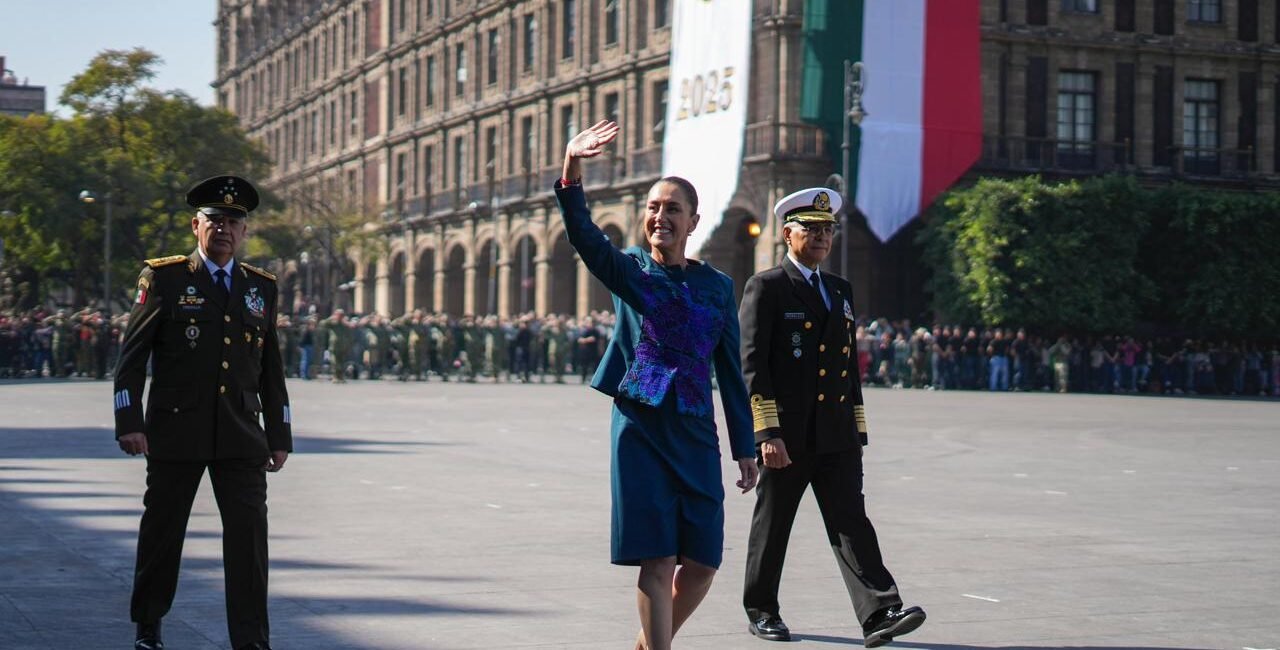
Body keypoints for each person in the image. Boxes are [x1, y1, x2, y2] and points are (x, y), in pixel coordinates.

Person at [555, 120, 757, 650]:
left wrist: (746, 448)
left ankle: (648, 644)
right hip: (640, 427)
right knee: (658, 557)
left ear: (694, 221)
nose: (660, 216)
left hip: (694, 431)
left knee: (704, 563)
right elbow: (583, 235)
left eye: (672, 209)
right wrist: (573, 166)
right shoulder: (630, 271)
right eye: (652, 207)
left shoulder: (717, 287)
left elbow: (732, 374)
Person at [739, 187, 925, 647]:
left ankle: (880, 611)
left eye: (828, 229)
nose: (822, 237)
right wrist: (766, 431)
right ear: (787, 233)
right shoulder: (767, 286)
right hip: (788, 435)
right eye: (812, 229)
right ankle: (761, 609)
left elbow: (846, 369)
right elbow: (752, 365)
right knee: (774, 522)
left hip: (836, 434)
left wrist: (856, 428)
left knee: (851, 522)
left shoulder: (840, 289)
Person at [112, 175, 292, 650]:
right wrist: (130, 423)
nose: (225, 229)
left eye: (234, 222)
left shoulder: (261, 289)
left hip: (240, 433)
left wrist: (280, 433)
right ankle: (149, 625)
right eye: (215, 220)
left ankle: (251, 640)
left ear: (245, 231)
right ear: (196, 226)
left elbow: (271, 369)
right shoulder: (166, 278)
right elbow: (130, 361)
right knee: (162, 535)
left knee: (249, 544)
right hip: (176, 431)